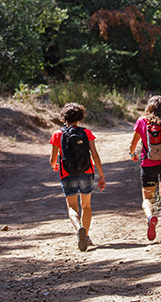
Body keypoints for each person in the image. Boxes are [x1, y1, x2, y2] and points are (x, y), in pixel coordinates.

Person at [49, 102, 106, 251]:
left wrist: (55, 165)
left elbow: (53, 160)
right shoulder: (86, 133)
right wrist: (101, 175)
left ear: (64, 117)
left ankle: (79, 229)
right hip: (87, 172)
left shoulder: (57, 134)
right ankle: (85, 236)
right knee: (86, 206)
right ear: (80, 117)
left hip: (67, 175)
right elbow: (94, 154)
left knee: (72, 208)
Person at [128, 95, 161, 241]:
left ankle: (151, 217)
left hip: (148, 165)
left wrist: (133, 154)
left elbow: (133, 144)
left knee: (147, 198)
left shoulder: (141, 121)